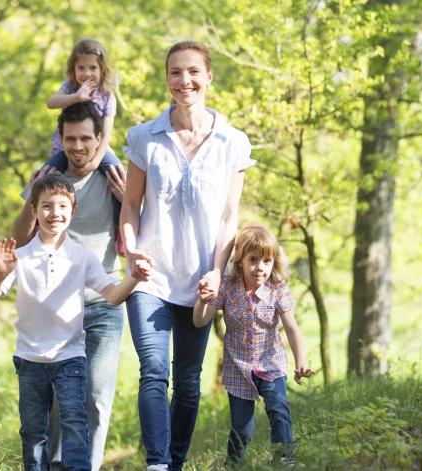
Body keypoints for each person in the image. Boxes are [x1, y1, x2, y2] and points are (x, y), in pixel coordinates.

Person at [119, 40, 257, 471]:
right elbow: (130, 205)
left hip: (202, 280)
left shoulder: (232, 142)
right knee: (154, 372)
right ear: (167, 79)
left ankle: (175, 462)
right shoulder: (146, 136)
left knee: (189, 384)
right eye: (175, 72)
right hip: (152, 279)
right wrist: (132, 250)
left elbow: (229, 216)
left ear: (209, 76)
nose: (185, 81)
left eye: (193, 71)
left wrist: (217, 272)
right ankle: (158, 463)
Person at [0, 173, 150, 471]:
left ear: (73, 211)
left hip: (70, 357)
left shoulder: (83, 257)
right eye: (46, 206)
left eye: (61, 206)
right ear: (34, 211)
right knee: (33, 432)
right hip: (30, 359)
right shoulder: (20, 258)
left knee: (75, 425)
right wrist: (0, 274)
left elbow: (111, 296)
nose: (54, 213)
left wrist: (134, 278)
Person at [11, 102, 138, 471]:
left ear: (100, 138)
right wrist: (29, 201)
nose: (78, 146)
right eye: (70, 138)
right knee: (52, 401)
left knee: (95, 397)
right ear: (61, 140)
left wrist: (128, 199)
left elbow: (140, 232)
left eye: (86, 138)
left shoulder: (115, 175)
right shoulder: (49, 178)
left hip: (101, 303)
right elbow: (19, 241)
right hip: (55, 310)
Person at [194, 224, 315, 468]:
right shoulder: (227, 288)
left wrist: (300, 362)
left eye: (267, 261)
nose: (260, 267)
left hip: (271, 363)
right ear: (240, 261)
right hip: (238, 368)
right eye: (253, 260)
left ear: (274, 263)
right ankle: (233, 465)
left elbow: (292, 329)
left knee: (278, 409)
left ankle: (284, 459)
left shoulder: (278, 290)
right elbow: (200, 321)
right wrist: (202, 301)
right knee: (242, 428)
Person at [44, 38, 124, 255]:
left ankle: (121, 230)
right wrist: (76, 97)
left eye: (92, 68)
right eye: (81, 68)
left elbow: (106, 134)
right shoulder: (70, 87)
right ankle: (37, 227)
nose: (86, 73)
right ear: (73, 69)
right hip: (65, 148)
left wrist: (95, 162)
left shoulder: (106, 96)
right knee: (45, 176)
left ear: (102, 70)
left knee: (119, 175)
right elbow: (51, 103)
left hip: (98, 149)